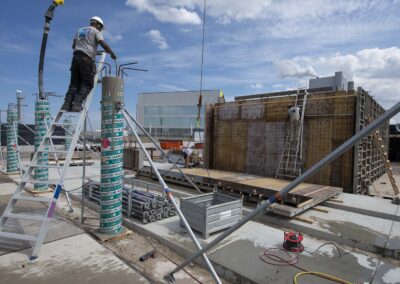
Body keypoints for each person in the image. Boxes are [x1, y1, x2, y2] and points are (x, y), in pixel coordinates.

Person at [61, 16, 117, 112]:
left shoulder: (80, 30)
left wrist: (83, 45)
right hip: (86, 59)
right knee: (87, 83)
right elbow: (102, 43)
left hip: (75, 58)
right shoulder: (96, 31)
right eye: (100, 27)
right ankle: (77, 104)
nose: (101, 29)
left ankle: (67, 104)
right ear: (97, 24)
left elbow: (73, 45)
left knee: (74, 83)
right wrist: (111, 53)